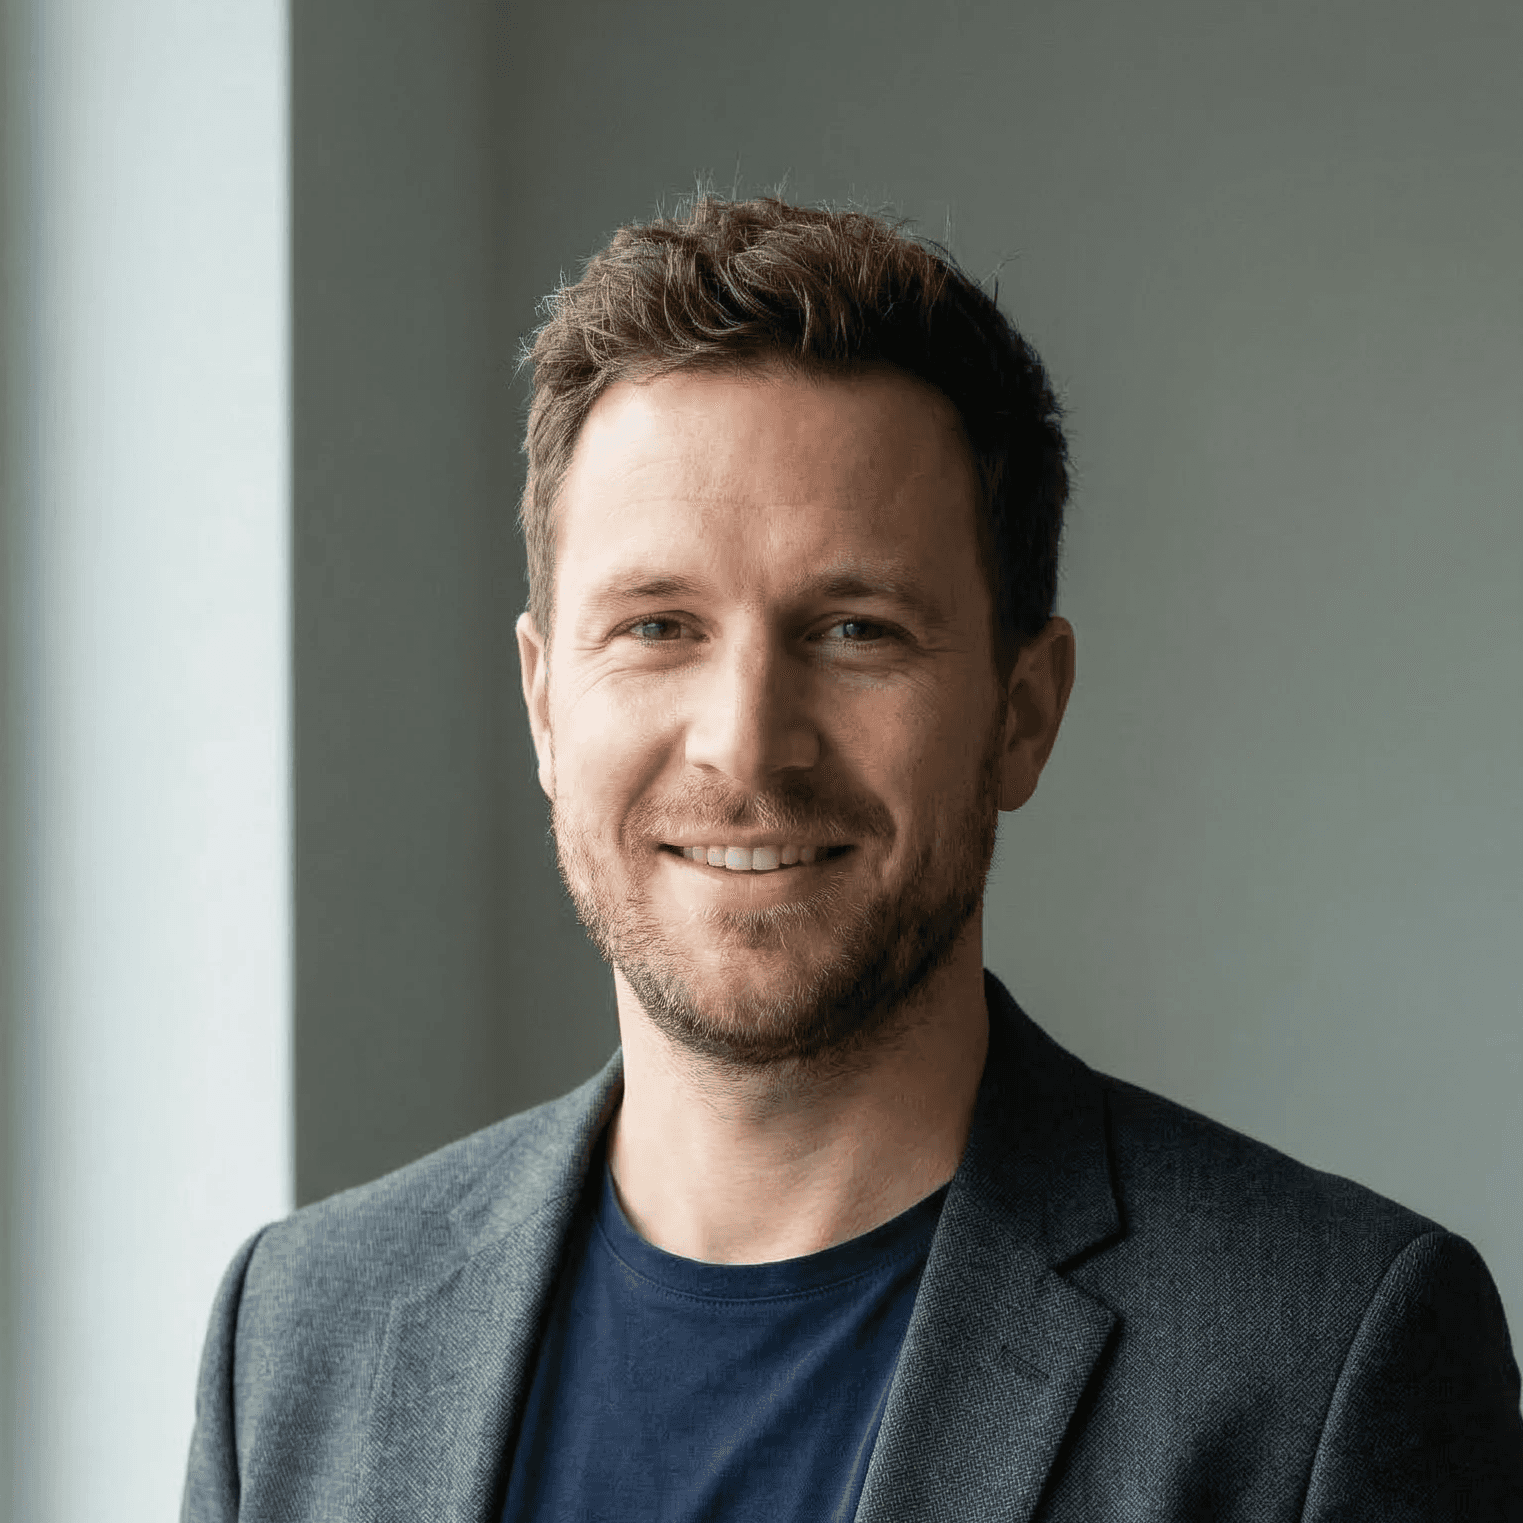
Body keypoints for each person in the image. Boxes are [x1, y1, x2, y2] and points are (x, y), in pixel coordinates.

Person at [182, 195, 1523, 1522]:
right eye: (656, 626)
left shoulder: (1323, 1359)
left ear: (1021, 710)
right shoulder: (300, 1333)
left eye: (855, 629)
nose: (746, 747)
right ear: (544, 702)